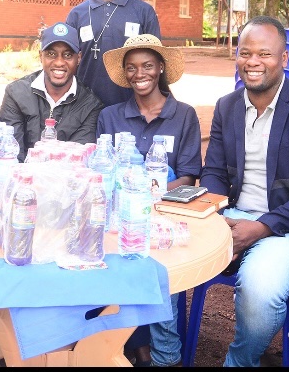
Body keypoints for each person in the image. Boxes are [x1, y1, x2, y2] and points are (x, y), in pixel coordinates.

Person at [200, 15, 289, 367]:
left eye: (264, 53)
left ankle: (239, 362)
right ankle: (163, 354)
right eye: (245, 53)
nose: (253, 62)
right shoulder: (227, 106)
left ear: (284, 59)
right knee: (163, 249)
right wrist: (216, 221)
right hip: (231, 215)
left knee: (259, 290)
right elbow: (214, 172)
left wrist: (261, 227)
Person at [98, 34, 203, 367]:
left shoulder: (183, 115)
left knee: (163, 273)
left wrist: (156, 190)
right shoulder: (110, 116)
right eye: (131, 68)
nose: (138, 73)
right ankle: (118, 347)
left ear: (160, 68)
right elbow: (101, 169)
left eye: (147, 65)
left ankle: (164, 355)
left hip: (164, 217)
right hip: (118, 220)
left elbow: (189, 175)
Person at [66, 0, 161, 108]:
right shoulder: (77, 14)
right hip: (84, 109)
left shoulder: (143, 11)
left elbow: (156, 63)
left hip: (132, 108)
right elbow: (68, 62)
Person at [0, 22, 103, 162]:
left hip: (65, 180)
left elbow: (77, 160)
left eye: (67, 55)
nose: (59, 62)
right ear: (41, 55)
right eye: (51, 54)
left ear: (78, 58)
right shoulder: (16, 93)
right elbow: (11, 154)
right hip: (22, 178)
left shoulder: (90, 105)